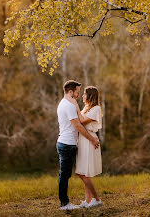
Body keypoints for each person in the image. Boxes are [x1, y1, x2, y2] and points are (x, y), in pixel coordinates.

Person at [56, 80, 100, 210]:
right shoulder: (69, 105)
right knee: (67, 175)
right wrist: (91, 139)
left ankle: (89, 200)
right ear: (71, 92)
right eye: (77, 91)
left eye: (83, 93)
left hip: (71, 143)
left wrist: (91, 139)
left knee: (76, 173)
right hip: (68, 143)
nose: (79, 95)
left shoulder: (65, 104)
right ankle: (65, 203)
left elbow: (80, 122)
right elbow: (78, 125)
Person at [69, 86, 102, 208]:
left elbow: (81, 121)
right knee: (83, 172)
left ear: (90, 96)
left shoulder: (96, 109)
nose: (82, 96)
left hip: (89, 141)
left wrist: (75, 105)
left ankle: (97, 199)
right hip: (83, 140)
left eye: (84, 94)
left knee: (84, 173)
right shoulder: (87, 108)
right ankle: (88, 201)